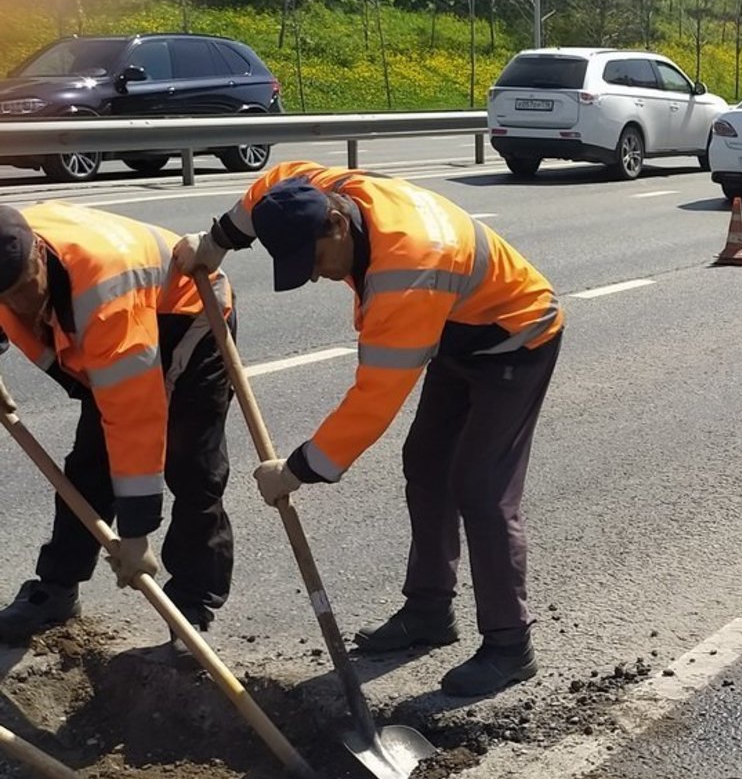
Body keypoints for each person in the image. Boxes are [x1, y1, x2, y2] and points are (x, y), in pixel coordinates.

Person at [174, 162, 564, 698]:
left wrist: (296, 470)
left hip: (517, 337)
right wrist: (216, 242)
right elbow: (272, 184)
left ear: (335, 225)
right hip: (457, 327)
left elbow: (375, 400)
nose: (314, 275)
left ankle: (509, 644)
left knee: (480, 486)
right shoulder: (319, 190)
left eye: (313, 260)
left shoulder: (408, 272)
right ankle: (429, 611)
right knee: (426, 462)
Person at [0, 204, 235, 652]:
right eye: (7, 297)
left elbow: (133, 417)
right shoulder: (6, 249)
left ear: (37, 254)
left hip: (188, 314)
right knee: (89, 462)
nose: (20, 303)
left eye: (25, 286)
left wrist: (135, 534)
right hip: (105, 316)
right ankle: (56, 589)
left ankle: (193, 604)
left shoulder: (102, 298)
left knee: (192, 464)